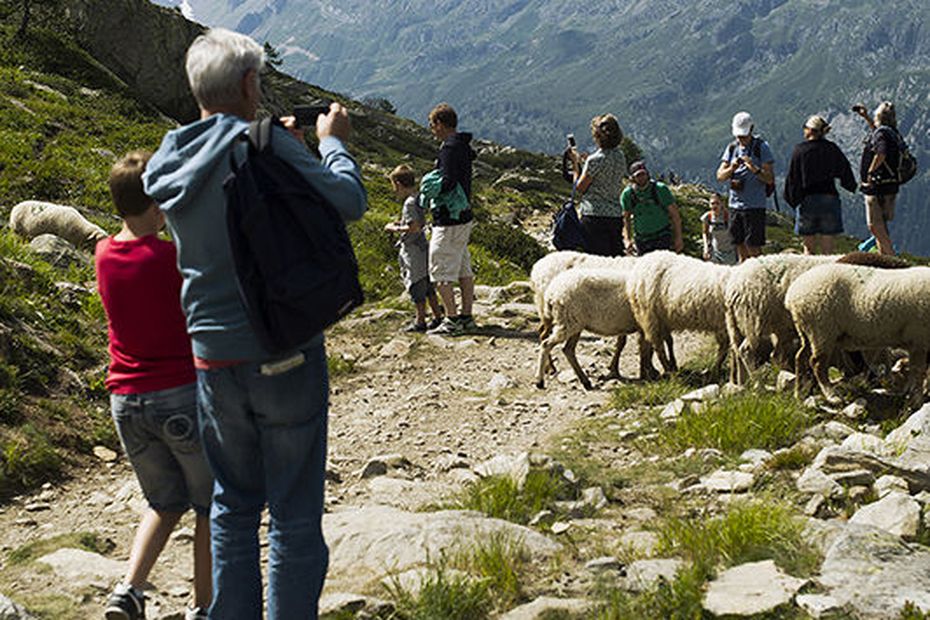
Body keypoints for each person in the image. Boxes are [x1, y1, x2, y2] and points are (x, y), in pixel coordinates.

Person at [142, 28, 367, 619]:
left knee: (233, 505)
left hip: (210, 357)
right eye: (259, 82)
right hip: (282, 348)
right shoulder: (264, 145)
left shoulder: (168, 157)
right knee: (293, 511)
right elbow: (348, 200)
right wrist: (331, 143)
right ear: (247, 84)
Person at [97, 151, 212, 620]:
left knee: (163, 501)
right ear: (159, 201)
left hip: (125, 401)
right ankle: (206, 607)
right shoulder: (171, 258)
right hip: (177, 393)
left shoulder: (103, 253)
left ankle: (128, 591)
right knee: (211, 502)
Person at [424, 102, 477, 336]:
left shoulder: (448, 149)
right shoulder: (463, 146)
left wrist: (431, 187)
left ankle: (451, 319)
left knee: (440, 268)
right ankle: (466, 316)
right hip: (464, 216)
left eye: (432, 125)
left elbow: (447, 182)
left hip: (449, 218)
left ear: (440, 123)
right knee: (463, 267)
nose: (432, 130)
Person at [783, 115, 857, 255]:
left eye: (805, 128)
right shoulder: (832, 148)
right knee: (828, 249)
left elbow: (793, 178)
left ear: (810, 130)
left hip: (807, 200)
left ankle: (810, 275)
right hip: (829, 198)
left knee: (808, 249)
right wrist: (850, 185)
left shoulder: (800, 151)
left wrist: (793, 199)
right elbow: (845, 169)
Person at [384, 164, 444, 332]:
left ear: (398, 183)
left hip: (413, 249)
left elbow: (414, 226)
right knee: (428, 284)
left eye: (394, 186)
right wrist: (402, 223)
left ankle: (420, 321)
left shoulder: (409, 203)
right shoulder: (418, 197)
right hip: (423, 246)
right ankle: (438, 316)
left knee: (416, 283)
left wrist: (393, 228)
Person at [716, 111, 775, 261]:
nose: (741, 139)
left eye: (744, 135)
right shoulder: (731, 148)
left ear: (752, 129)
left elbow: (769, 178)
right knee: (739, 245)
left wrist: (754, 168)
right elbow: (720, 176)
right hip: (735, 205)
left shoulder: (761, 147)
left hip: (754, 206)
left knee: (754, 248)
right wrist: (732, 169)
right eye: (739, 136)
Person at [567, 113, 627, 256]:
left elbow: (580, 187)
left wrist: (576, 165)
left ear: (598, 136)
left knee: (596, 260)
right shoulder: (620, 156)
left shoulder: (595, 160)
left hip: (594, 215)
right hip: (615, 214)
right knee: (614, 257)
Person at [853, 101, 901, 255]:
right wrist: (866, 117)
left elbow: (881, 152)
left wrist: (870, 171)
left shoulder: (881, 134)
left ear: (879, 116)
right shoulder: (892, 133)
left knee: (874, 225)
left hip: (876, 186)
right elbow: (878, 133)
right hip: (891, 184)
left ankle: (891, 258)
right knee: (882, 225)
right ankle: (883, 257)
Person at [620, 160, 683, 256]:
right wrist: (627, 239)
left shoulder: (660, 189)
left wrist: (678, 238)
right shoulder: (628, 195)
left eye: (643, 174)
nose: (642, 178)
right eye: (638, 175)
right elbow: (626, 219)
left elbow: (675, 215)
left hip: (662, 236)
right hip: (642, 240)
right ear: (632, 178)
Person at [701, 192, 737, 264]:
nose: (714, 206)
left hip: (730, 253)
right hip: (714, 252)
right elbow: (705, 232)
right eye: (712, 203)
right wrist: (706, 248)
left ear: (722, 204)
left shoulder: (729, 216)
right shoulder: (707, 217)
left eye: (717, 203)